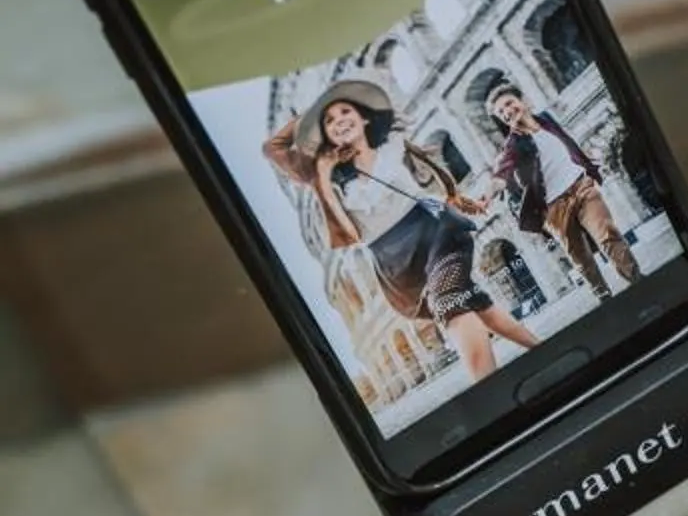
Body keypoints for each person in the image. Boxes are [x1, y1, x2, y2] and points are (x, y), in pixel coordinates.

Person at [264, 79, 541, 384]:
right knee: (477, 303)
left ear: (364, 118)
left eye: (345, 111)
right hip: (393, 263)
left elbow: (428, 176)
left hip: (436, 234)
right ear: (325, 135)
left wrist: (455, 197)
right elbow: (273, 148)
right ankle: (539, 348)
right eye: (329, 120)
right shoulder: (326, 175)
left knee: (448, 303)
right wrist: (312, 130)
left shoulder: (391, 143)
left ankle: (489, 389)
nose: (339, 120)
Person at [487, 80, 638, 300]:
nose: (507, 112)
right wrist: (488, 195)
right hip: (554, 208)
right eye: (501, 112)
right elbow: (501, 173)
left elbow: (567, 143)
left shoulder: (546, 119)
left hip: (581, 186)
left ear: (523, 101)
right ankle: (604, 297)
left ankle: (637, 281)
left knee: (608, 235)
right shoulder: (512, 146)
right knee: (582, 259)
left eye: (509, 103)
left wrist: (586, 166)